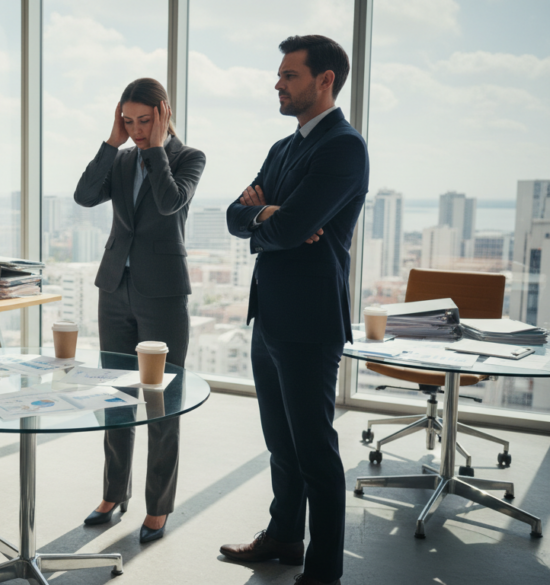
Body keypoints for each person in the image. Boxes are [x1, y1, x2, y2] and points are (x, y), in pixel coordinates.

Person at [221, 35, 369, 585]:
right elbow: (235, 215)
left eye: (290, 75)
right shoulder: (284, 147)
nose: (277, 85)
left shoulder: (343, 147)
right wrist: (269, 217)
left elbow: (290, 227)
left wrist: (274, 219)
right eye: (280, 74)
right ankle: (284, 537)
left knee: (314, 452)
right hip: (270, 313)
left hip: (309, 319)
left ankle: (323, 572)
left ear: (324, 80)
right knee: (281, 444)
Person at [73, 78, 206, 544]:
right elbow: (84, 195)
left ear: (164, 113)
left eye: (144, 121)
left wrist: (155, 148)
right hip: (114, 288)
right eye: (128, 121)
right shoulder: (123, 156)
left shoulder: (189, 158)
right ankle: (114, 493)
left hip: (162, 293)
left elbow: (170, 202)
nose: (136, 130)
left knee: (162, 402)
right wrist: (112, 143)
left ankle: (158, 505)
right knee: (115, 395)